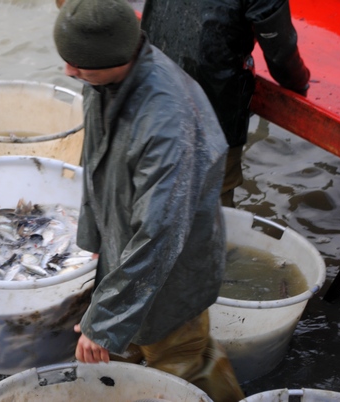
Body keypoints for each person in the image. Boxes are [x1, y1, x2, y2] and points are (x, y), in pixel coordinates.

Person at [53, 0, 245, 401]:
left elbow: (160, 234)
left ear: (116, 58)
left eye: (78, 64)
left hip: (173, 271)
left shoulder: (166, 121)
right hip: (128, 254)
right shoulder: (103, 79)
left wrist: (103, 320)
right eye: (67, 60)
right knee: (126, 349)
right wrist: (95, 242)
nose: (69, 71)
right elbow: (96, 165)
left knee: (185, 361)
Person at [140, 0, 311, 207]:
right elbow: (280, 52)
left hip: (150, 90)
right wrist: (299, 82)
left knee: (151, 190)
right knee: (211, 206)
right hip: (214, 107)